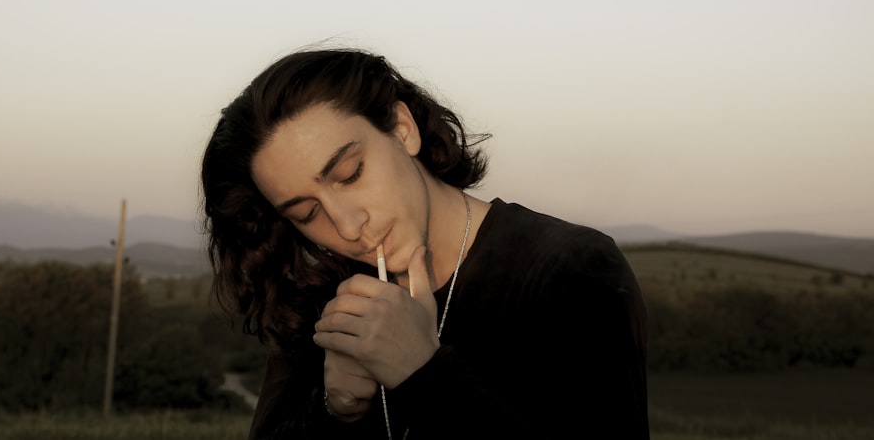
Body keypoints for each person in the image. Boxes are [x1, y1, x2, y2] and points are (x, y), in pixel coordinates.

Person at [200, 45, 650, 439]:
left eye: (350, 174)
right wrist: (337, 410)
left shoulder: (571, 270)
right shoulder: (320, 299)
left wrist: (422, 374)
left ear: (402, 129)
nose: (348, 226)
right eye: (307, 213)